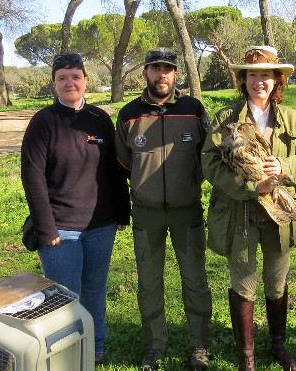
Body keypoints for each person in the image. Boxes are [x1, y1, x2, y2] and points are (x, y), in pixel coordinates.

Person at [202, 46, 296, 371]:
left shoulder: (292, 119)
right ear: (244, 79)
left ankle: (278, 347)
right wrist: (252, 186)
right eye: (252, 74)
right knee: (243, 283)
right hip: (239, 214)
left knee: (276, 282)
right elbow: (210, 164)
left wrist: (282, 165)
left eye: (266, 74)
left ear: (277, 80)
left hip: (279, 216)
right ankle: (247, 359)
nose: (259, 81)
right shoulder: (225, 119)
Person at [21, 52, 130, 365]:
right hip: (60, 228)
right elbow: (32, 177)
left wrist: (122, 213)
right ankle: (67, 351)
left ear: (85, 81)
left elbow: (114, 169)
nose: (70, 83)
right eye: (62, 78)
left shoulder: (100, 119)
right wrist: (46, 226)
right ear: (54, 83)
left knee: (95, 289)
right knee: (65, 295)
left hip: (101, 225)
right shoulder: (44, 122)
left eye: (75, 77)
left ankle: (94, 346)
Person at [115, 49, 213, 371]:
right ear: (145, 73)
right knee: (149, 284)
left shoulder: (194, 110)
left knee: (195, 281)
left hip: (187, 211)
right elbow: (123, 164)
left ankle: (199, 345)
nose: (162, 75)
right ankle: (154, 346)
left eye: (168, 69)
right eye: (155, 69)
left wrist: (189, 187)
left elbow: (207, 157)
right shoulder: (129, 115)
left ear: (175, 74)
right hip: (147, 213)